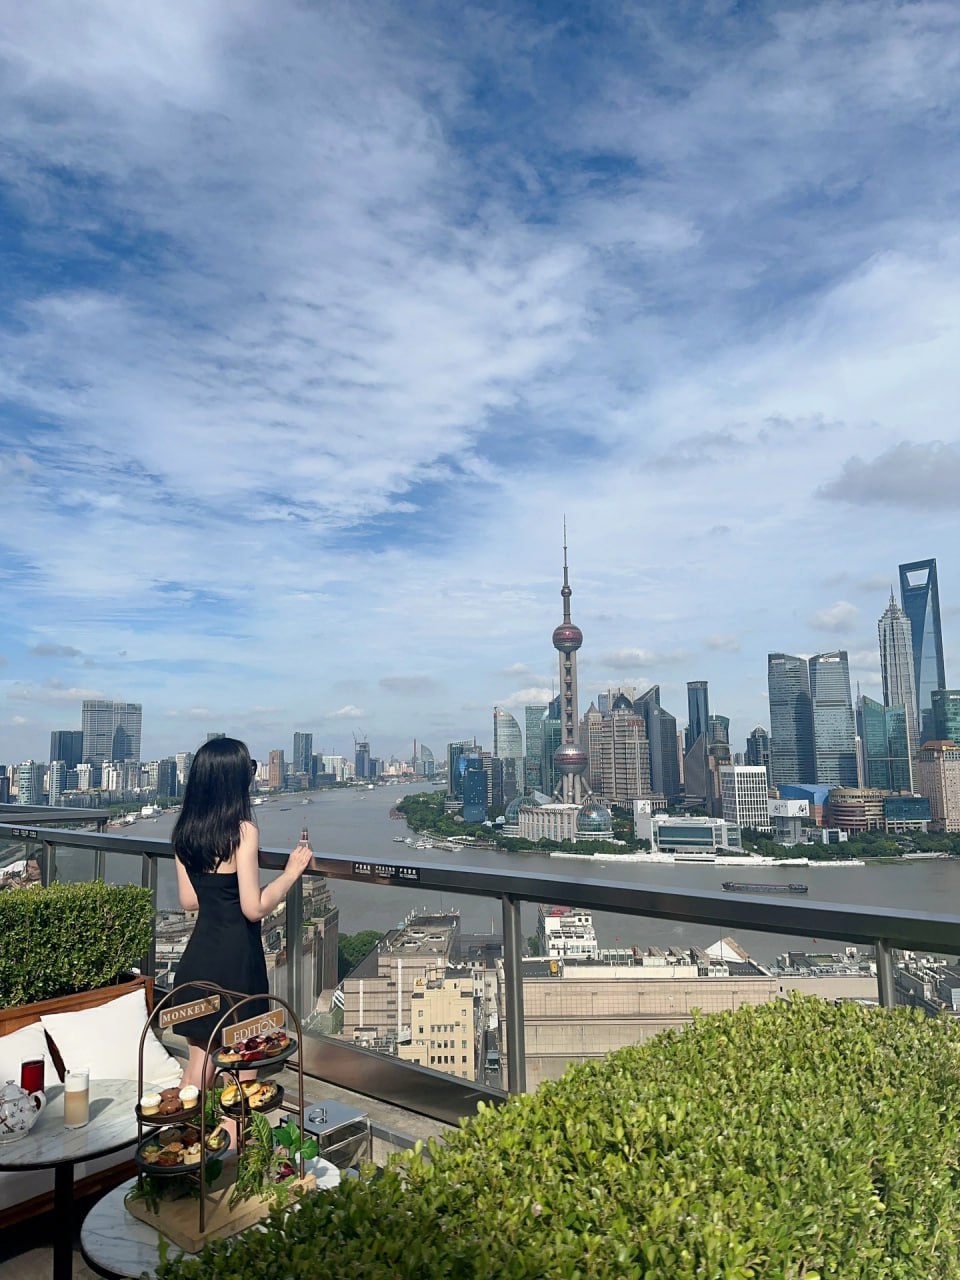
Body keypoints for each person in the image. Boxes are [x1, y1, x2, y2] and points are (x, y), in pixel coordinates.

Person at [172, 737, 313, 1089]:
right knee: (243, 1070)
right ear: (233, 779)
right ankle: (235, 1128)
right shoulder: (242, 832)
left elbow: (189, 900)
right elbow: (254, 908)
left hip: (196, 962)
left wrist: (217, 891)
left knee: (197, 1070)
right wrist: (291, 873)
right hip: (237, 967)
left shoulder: (184, 832)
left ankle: (189, 1123)